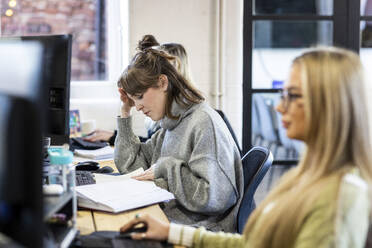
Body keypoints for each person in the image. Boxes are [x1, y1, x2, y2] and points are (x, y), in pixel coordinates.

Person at [119, 46, 372, 247]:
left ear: (330, 105)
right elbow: (253, 243)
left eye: (292, 96)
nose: (279, 107)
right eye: (282, 95)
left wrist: (167, 171)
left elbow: (215, 200)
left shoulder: (340, 198)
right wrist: (171, 232)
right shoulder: (302, 178)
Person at [114, 35, 243, 232]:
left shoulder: (203, 123)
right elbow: (131, 167)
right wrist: (125, 112)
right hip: (174, 218)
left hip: (202, 229)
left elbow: (215, 197)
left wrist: (166, 167)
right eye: (133, 100)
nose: (138, 106)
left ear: (163, 83)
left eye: (139, 97)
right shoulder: (171, 123)